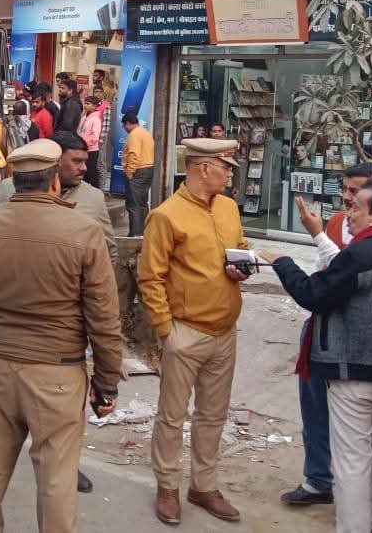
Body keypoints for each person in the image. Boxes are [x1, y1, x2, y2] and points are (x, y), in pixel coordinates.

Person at [0, 138, 121, 532]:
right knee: (57, 478)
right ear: (54, 181)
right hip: (57, 373)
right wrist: (106, 383)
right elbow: (103, 317)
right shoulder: (83, 231)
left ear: (15, 180)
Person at [264, 187, 372, 533]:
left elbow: (314, 294)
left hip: (353, 375)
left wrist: (282, 263)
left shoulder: (359, 255)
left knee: (352, 461)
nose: (348, 215)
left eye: (355, 208)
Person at [137, 138, 246, 525]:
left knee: (213, 415)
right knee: (172, 416)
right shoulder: (166, 216)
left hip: (224, 331)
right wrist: (167, 332)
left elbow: (240, 245)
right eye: (225, 167)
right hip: (185, 332)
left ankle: (203, 485)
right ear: (203, 168)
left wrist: (241, 266)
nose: (230, 174)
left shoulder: (228, 208)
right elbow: (150, 277)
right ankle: (167, 486)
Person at [281, 164, 372, 506]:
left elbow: (353, 272)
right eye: (345, 189)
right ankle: (318, 479)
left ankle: (357, 491)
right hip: (322, 326)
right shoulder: (335, 222)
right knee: (314, 407)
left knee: (356, 420)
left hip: (360, 338)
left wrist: (318, 236)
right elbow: (325, 274)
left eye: (355, 191)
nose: (347, 197)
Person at [122, 113, 155, 237]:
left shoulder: (134, 135)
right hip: (148, 169)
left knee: (133, 204)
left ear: (127, 123)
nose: (124, 129)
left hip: (138, 170)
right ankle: (145, 232)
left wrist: (129, 173)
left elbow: (134, 154)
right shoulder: (145, 133)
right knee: (142, 203)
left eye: (124, 126)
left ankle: (135, 234)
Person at [78, 95, 103, 188]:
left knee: (92, 173)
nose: (85, 106)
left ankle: (97, 192)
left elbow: (94, 137)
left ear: (94, 106)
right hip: (83, 149)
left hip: (91, 151)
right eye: (85, 103)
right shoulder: (83, 117)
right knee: (84, 173)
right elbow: (80, 131)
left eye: (88, 104)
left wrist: (84, 144)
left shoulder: (96, 119)